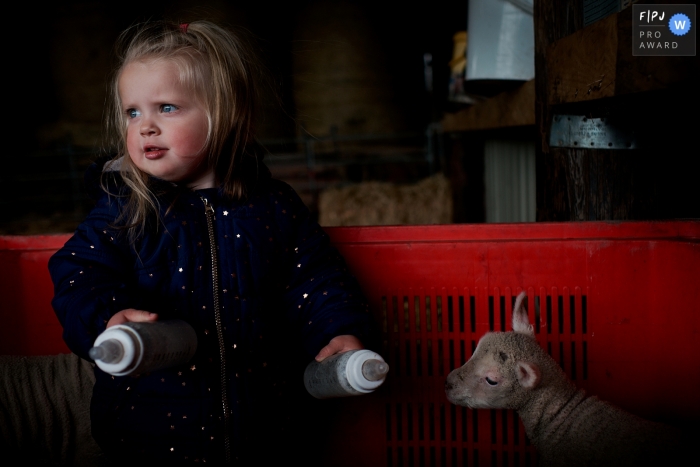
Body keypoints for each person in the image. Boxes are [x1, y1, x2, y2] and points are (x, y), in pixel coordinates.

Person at [48, 20, 377, 465]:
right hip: (150, 432)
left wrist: (339, 330)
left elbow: (316, 278)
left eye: (166, 107)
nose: (145, 127)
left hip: (268, 427)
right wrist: (108, 313)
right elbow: (80, 271)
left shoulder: (274, 208)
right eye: (133, 112)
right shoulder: (125, 209)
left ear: (227, 115)